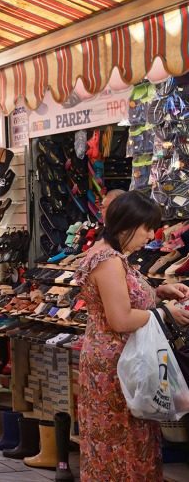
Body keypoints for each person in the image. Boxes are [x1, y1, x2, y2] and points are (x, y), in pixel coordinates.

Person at [73, 191, 189, 481]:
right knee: (119, 441)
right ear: (128, 224)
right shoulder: (108, 260)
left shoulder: (111, 256)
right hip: (117, 363)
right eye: (147, 228)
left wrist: (158, 293)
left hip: (121, 358)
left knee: (127, 438)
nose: (150, 235)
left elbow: (125, 300)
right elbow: (121, 319)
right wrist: (165, 312)